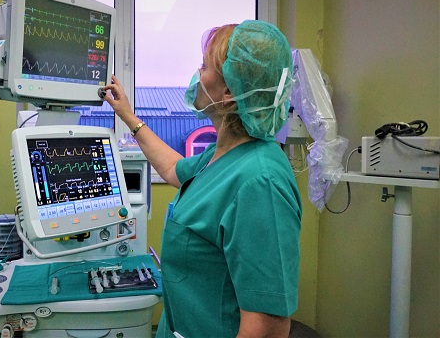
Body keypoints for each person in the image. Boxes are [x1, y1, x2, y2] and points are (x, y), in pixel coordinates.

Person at [103, 20, 302, 338]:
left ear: (229, 92)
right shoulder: (223, 152)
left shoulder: (260, 182)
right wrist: (127, 116)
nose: (197, 73)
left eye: (205, 66)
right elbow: (173, 169)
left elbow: (266, 325)